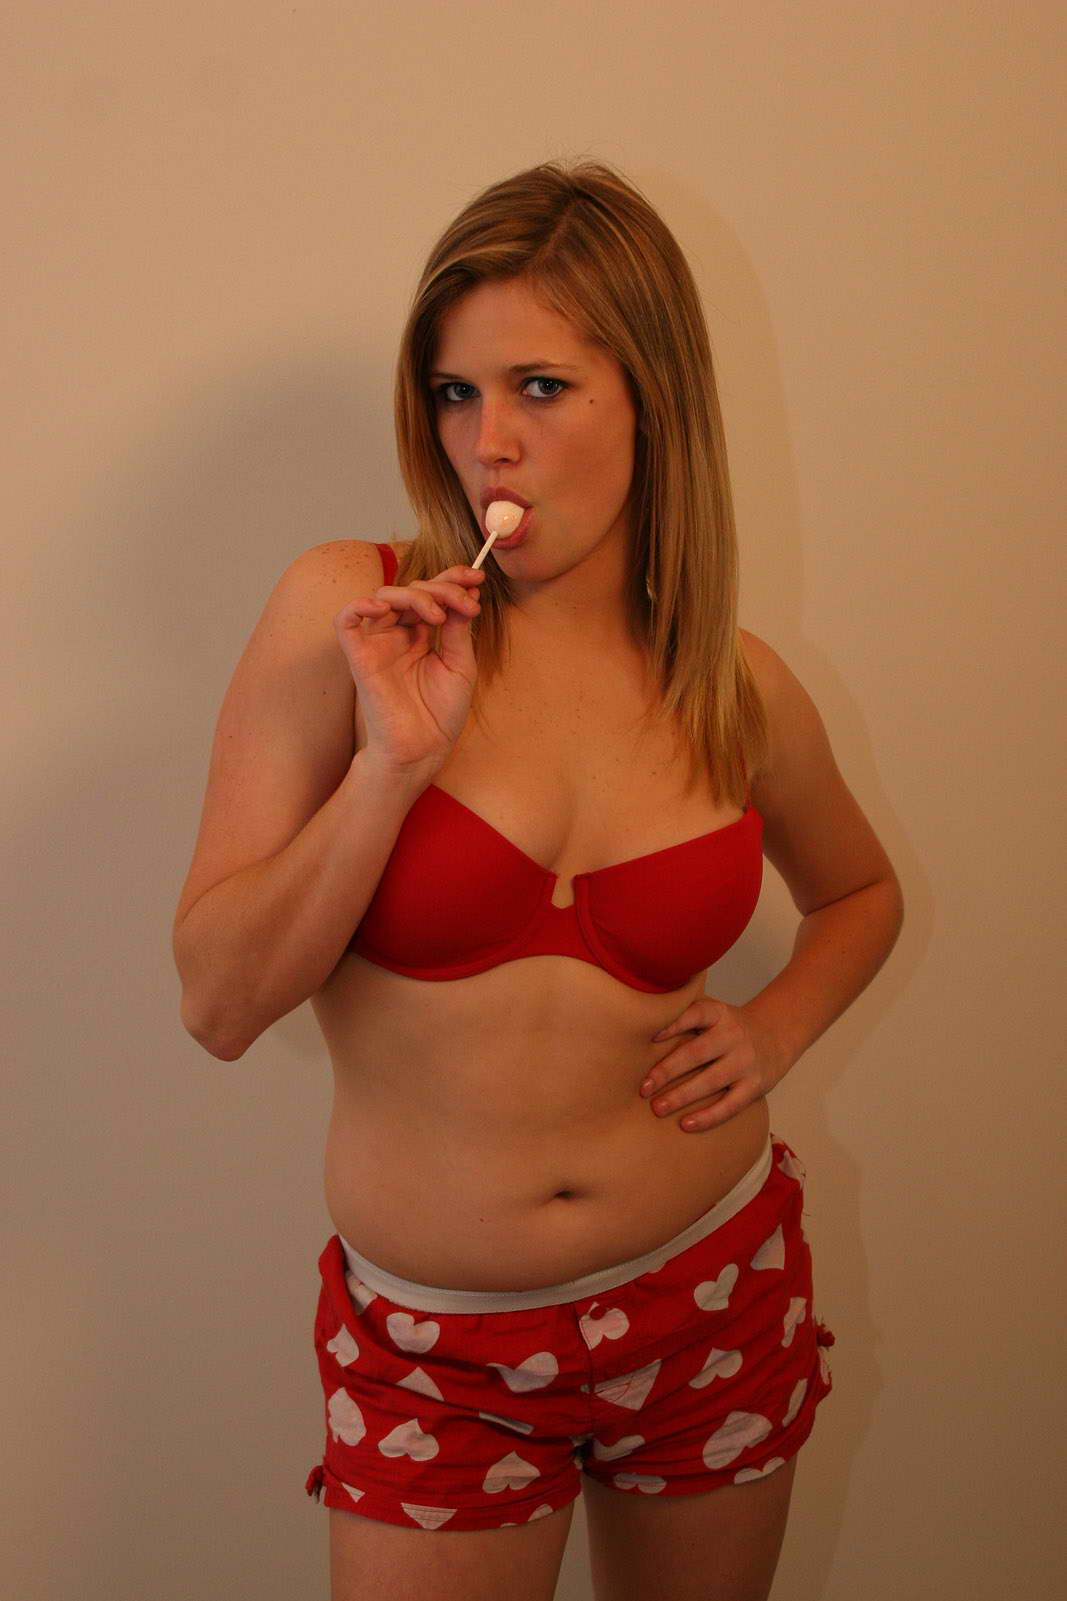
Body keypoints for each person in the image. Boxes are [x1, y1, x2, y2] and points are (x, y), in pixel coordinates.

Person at [172, 160, 903, 1601]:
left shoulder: (734, 688)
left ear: (654, 401)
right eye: (455, 393)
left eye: (541, 388)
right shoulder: (350, 612)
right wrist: (389, 769)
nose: (487, 442)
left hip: (712, 1288)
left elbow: (861, 894)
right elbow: (219, 1003)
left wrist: (774, 1029)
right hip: (438, 1352)